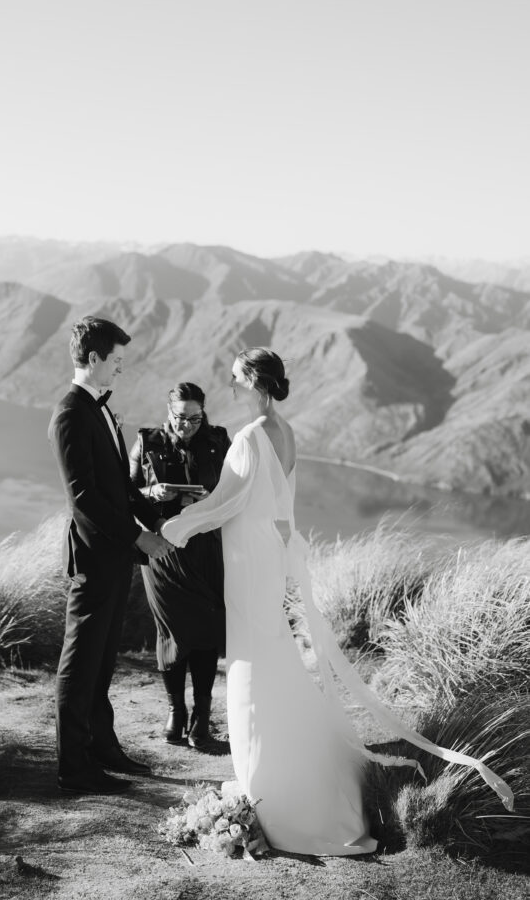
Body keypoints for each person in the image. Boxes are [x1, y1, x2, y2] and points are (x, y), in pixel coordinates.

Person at [160, 347, 514, 856]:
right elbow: (281, 508)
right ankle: (294, 769)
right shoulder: (286, 432)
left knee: (251, 660)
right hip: (268, 554)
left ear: (256, 382)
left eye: (236, 379)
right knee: (272, 655)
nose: (231, 386)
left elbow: (226, 502)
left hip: (249, 560)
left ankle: (278, 789)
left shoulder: (249, 437)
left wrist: (173, 528)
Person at [48, 315, 172, 796]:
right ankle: (73, 769)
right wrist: (139, 538)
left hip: (115, 556)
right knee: (80, 664)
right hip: (93, 558)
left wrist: (153, 518)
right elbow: (84, 499)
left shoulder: (100, 409)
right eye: (116, 361)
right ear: (94, 359)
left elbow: (118, 485)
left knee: (102, 662)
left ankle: (103, 749)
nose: (121, 369)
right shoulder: (70, 413)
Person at [129, 382, 230, 749]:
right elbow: (125, 491)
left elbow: (235, 490)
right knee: (171, 631)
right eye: (180, 417)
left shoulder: (218, 441)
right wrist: (152, 494)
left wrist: (207, 498)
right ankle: (176, 711)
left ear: (204, 414)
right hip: (162, 551)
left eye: (194, 418)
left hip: (205, 550)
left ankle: (202, 715)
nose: (187, 425)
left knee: (204, 630)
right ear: (167, 412)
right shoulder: (146, 441)